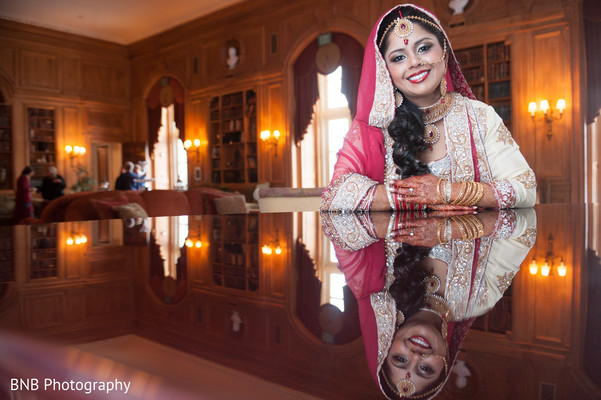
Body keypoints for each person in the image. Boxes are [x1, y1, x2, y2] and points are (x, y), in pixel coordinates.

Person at [321, 4, 536, 213]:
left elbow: (525, 188)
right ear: (386, 71)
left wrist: (447, 191)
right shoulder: (374, 127)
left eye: (424, 48)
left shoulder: (480, 117)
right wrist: (414, 198)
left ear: (444, 50)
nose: (414, 62)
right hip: (400, 247)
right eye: (399, 58)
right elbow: (335, 195)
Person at [321, 208, 537, 399]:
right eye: (425, 369)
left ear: (386, 346)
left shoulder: (369, 278)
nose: (415, 356)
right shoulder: (482, 293)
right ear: (446, 359)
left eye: (400, 359)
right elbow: (524, 227)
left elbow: (339, 213)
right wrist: (450, 227)